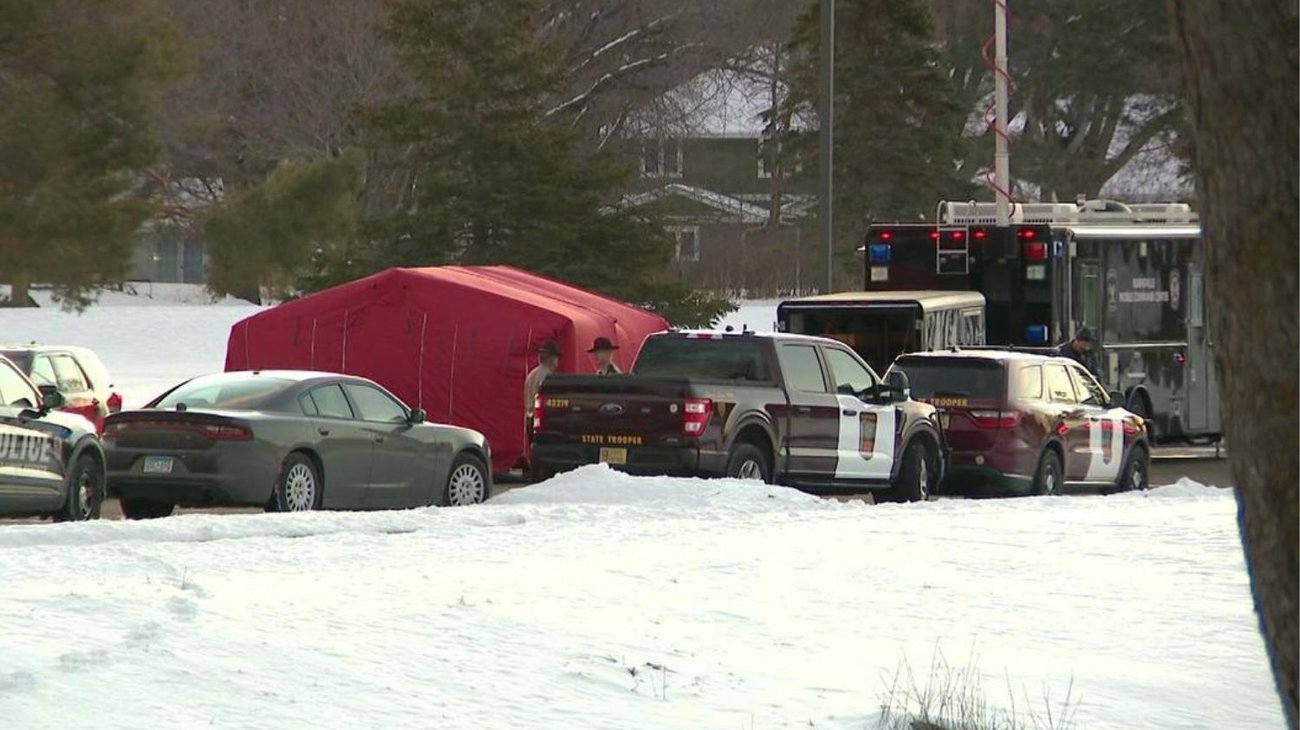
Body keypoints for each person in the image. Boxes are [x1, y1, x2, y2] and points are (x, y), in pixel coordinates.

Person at [524, 341, 560, 439]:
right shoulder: (548, 377)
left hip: (529, 418)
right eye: (557, 358)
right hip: (543, 421)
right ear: (551, 359)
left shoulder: (531, 375)